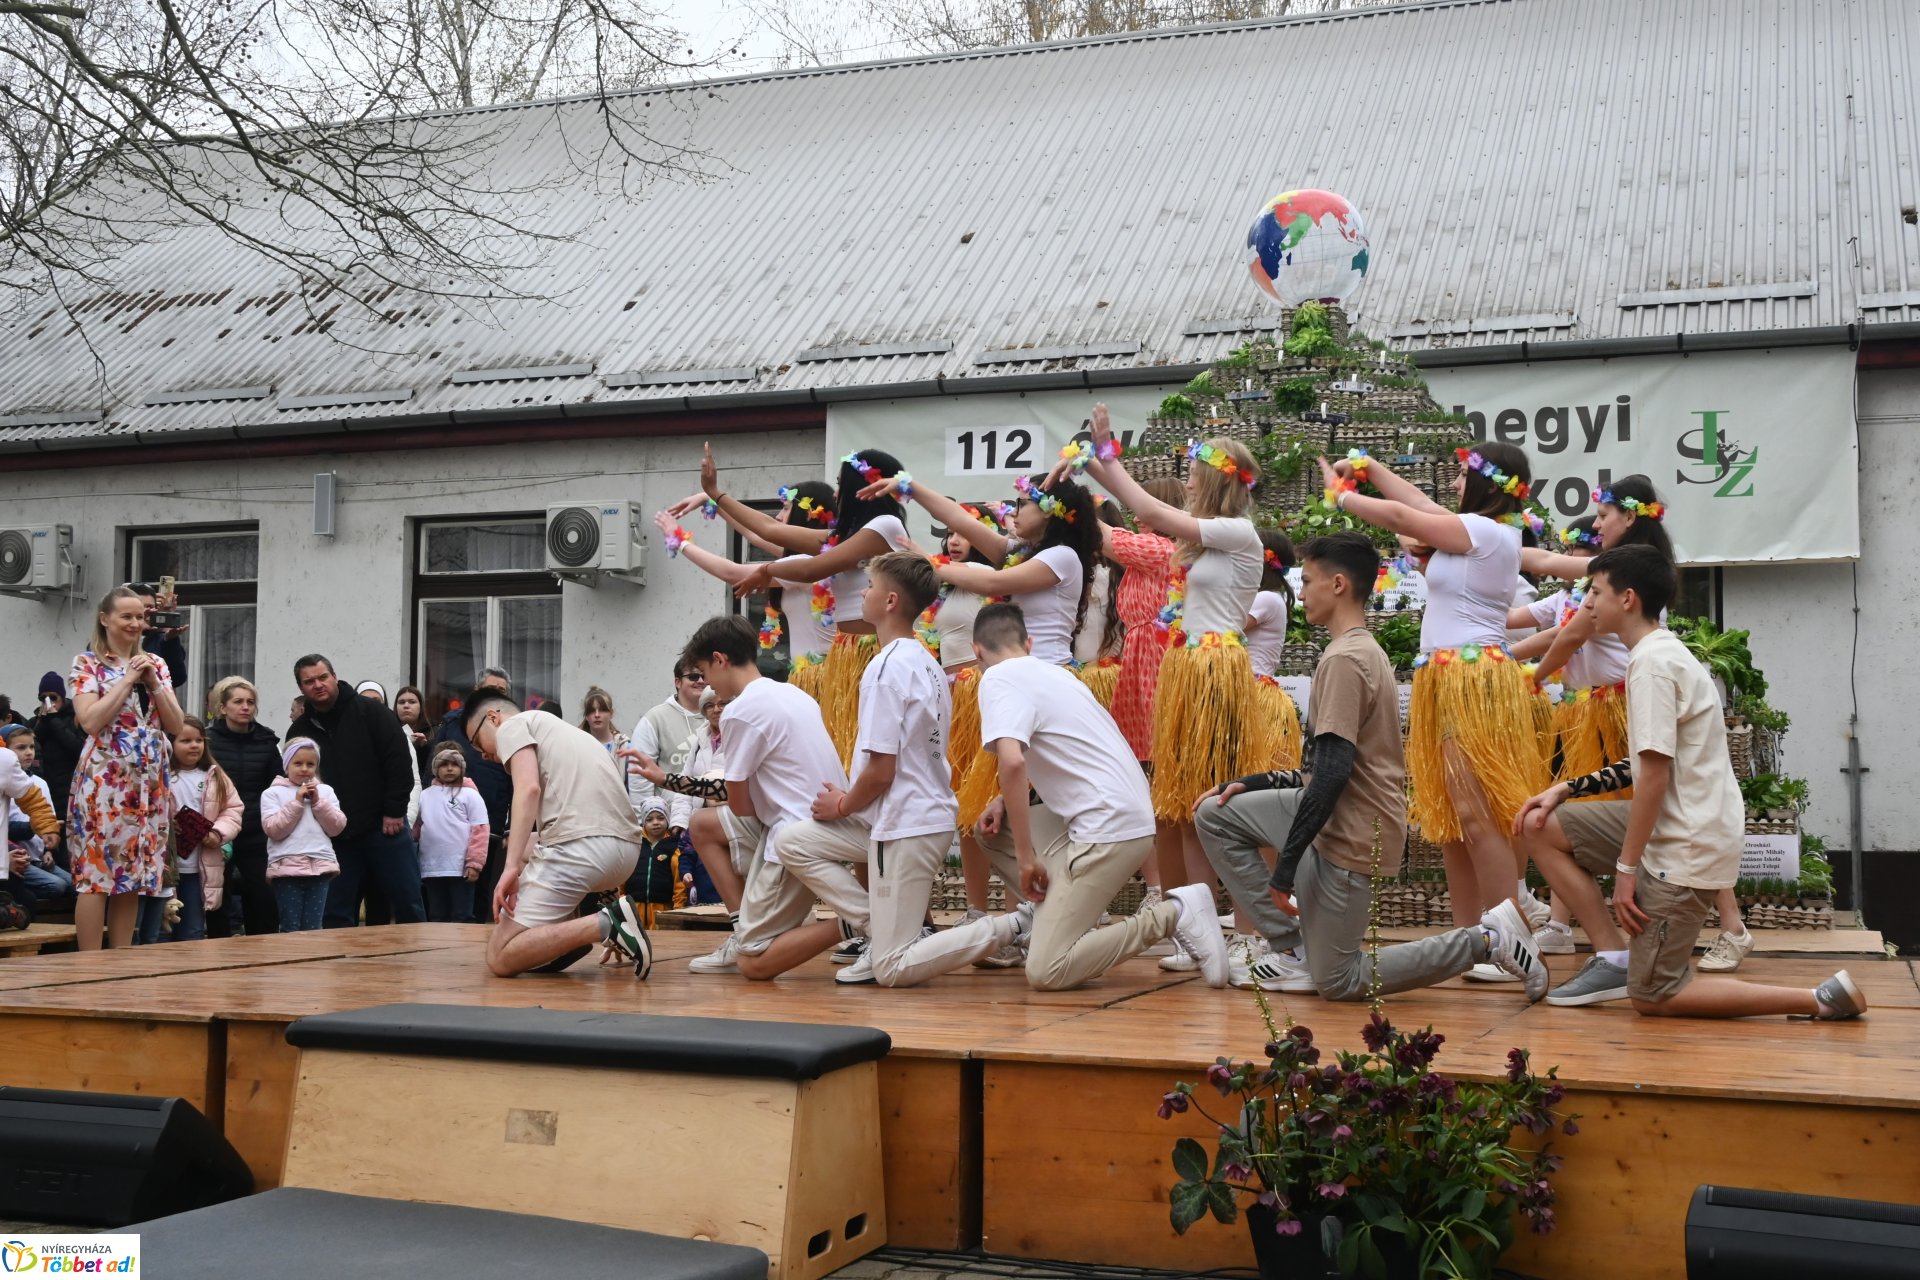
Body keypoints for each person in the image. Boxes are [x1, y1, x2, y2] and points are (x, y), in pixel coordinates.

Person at [1512, 545, 1863, 1019]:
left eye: (1595, 592)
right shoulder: (1652, 654)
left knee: (1656, 995)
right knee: (1539, 824)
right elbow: (1646, 763)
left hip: (1687, 841)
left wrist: (1626, 870)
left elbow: (1653, 779)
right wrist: (1566, 788)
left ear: (1628, 598)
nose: (1586, 604)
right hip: (1672, 823)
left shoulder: (1653, 665)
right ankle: (1613, 955)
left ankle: (1818, 999)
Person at [1194, 532, 1547, 1000]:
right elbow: (1321, 767)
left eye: (1311, 581)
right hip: (1333, 808)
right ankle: (1292, 950)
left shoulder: (1346, 660)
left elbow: (1334, 775)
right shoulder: (1353, 649)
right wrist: (1246, 783)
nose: (1301, 592)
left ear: (1338, 585)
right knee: (1217, 811)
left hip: (1354, 830)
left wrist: (1285, 871)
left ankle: (1487, 939)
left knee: (1340, 982)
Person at [1314, 443, 1550, 925]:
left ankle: (1510, 935)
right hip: (1450, 676)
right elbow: (1418, 506)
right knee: (1454, 819)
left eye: (1464, 475)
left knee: (1476, 813)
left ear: (1487, 482)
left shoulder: (1483, 532)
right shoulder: (1487, 533)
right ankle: (1468, 937)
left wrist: (1342, 497)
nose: (1456, 484)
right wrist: (1371, 466)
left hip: (1470, 677)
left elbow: (1406, 515)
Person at [767, 554, 1028, 985]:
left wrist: (842, 804)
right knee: (793, 840)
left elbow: (881, 770)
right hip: (897, 816)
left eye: (868, 586)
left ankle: (1012, 925)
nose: (861, 593)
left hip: (907, 823)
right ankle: (875, 926)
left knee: (892, 969)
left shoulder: (886, 669)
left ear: (889, 601)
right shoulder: (923, 658)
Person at [967, 603, 1226, 991]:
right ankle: (1059, 913)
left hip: (1109, 828)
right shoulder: (1058, 676)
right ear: (1029, 643)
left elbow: (1012, 762)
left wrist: (1025, 858)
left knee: (1046, 971)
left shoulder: (996, 678)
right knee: (990, 829)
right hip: (1128, 815)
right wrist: (1004, 800)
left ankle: (1174, 913)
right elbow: (1067, 754)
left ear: (976, 651)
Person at [626, 614, 848, 980]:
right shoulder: (793, 693)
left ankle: (853, 927)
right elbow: (734, 795)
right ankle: (744, 928)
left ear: (720, 660)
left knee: (754, 962)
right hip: (811, 822)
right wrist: (665, 778)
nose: (706, 685)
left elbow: (740, 803)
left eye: (704, 673)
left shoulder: (740, 711)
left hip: (792, 835)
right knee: (703, 824)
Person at [723, 446, 913, 768]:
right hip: (846, 653)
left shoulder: (885, 526)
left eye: (842, 483)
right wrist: (717, 494)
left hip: (874, 651)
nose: (837, 492)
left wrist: (767, 570)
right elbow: (771, 530)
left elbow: (814, 569)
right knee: (841, 741)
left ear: (859, 486)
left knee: (868, 743)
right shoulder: (846, 535)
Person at [462, 684, 650, 978]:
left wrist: (509, 868)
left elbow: (528, 788)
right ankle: (565, 936)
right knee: (526, 845)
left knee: (499, 957)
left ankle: (604, 924)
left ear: (493, 718)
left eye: (477, 743)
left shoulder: (514, 725)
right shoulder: (574, 736)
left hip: (580, 848)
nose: (484, 755)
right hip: (626, 854)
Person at [69, 585, 185, 950]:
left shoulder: (157, 664)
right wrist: (128, 679)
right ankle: (88, 966)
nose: (136, 624)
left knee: (131, 874)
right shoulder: (87, 664)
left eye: (141, 617)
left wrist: (151, 680)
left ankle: (121, 963)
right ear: (105, 619)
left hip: (147, 782)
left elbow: (176, 725)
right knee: (96, 873)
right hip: (106, 778)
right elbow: (90, 720)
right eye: (127, 616)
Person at [656, 479, 840, 701]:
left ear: (808, 513)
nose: (779, 516)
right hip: (815, 676)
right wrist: (711, 500)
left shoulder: (809, 562)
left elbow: (733, 573)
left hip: (824, 679)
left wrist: (680, 541)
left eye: (785, 508)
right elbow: (755, 535)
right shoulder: (813, 558)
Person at [290, 655, 426, 927]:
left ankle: (418, 964)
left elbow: (399, 762)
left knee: (408, 902)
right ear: (301, 688)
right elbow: (296, 778)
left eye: (322, 677)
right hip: (335, 835)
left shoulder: (373, 713)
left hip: (385, 827)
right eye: (309, 681)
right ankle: (341, 968)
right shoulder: (300, 729)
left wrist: (394, 811)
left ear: (334, 675)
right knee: (335, 913)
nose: (318, 685)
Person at [431, 666, 512, 918]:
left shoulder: (512, 727)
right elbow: (432, 766)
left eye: (502, 691)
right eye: (491, 689)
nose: (496, 695)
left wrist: (510, 824)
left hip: (489, 821)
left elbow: (517, 779)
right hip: (446, 825)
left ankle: (474, 946)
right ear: (477, 690)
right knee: (442, 893)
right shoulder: (454, 722)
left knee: (480, 890)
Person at [204, 676, 281, 937]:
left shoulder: (267, 741)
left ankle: (264, 956)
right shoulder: (207, 741)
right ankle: (217, 953)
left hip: (256, 831)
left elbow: (278, 786)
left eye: (250, 702)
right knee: (218, 898)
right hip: (218, 832)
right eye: (238, 702)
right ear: (223, 707)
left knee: (263, 898)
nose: (246, 707)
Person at [166, 717, 242, 942]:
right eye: (186, 740)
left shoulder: (215, 775)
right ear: (170, 743)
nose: (194, 745)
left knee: (193, 929)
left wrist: (217, 833)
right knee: (162, 929)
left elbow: (234, 809)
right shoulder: (162, 775)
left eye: (199, 740)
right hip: (165, 870)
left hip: (198, 869)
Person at [260, 738, 344, 933]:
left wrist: (318, 803)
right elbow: (273, 829)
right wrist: (297, 803)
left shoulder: (325, 791)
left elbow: (337, 827)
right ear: (286, 765)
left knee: (314, 927)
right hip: (287, 868)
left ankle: (314, 961)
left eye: (310, 764)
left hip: (320, 865)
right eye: (298, 763)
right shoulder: (272, 794)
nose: (304, 769)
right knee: (291, 926)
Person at [1244, 528, 1304, 768]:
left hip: (1253, 688)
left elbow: (1228, 625)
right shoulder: (1269, 597)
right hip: (1252, 685)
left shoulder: (1267, 599)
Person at [414, 742, 488, 923]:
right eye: (444, 764)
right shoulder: (425, 795)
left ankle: (463, 951)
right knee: (437, 916)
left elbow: (480, 830)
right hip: (431, 868)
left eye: (454, 764)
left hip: (460, 868)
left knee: (462, 916)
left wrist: (475, 863)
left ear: (462, 767)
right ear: (434, 768)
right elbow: (416, 827)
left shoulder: (470, 795)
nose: (449, 769)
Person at [629, 667, 709, 833]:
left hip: (711, 821)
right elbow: (640, 779)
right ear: (677, 682)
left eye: (704, 676)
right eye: (693, 677)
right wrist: (644, 824)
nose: (700, 681)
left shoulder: (719, 715)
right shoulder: (655, 718)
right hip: (669, 826)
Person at [1, 730, 67, 906]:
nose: (29, 752)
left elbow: (33, 800)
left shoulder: (3, 758)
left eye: (31, 746)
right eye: (21, 747)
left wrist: (47, 827)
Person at [29, 671, 84, 842]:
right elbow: (34, 744)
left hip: (71, 790)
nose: (48, 702)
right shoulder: (36, 722)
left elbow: (79, 749)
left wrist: (54, 720)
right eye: (43, 698)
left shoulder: (77, 718)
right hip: (48, 790)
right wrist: (44, 721)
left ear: (62, 697)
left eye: (53, 697)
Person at [623, 798, 683, 929]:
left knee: (660, 944)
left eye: (660, 818)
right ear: (643, 822)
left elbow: (679, 881)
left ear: (667, 819)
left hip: (662, 908)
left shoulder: (673, 845)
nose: (655, 823)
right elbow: (622, 874)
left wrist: (678, 908)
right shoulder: (635, 843)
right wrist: (622, 900)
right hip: (634, 907)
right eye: (649, 819)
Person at [131, 582, 189, 692]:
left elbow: (177, 679)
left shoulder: (161, 639)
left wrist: (169, 636)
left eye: (150, 607)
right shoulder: (112, 638)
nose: (147, 612)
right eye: (141, 607)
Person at [394, 686, 435, 781]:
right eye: (401, 702)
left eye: (412, 702)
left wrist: (424, 746)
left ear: (421, 706)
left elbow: (438, 766)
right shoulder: (388, 730)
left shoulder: (434, 731)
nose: (406, 706)